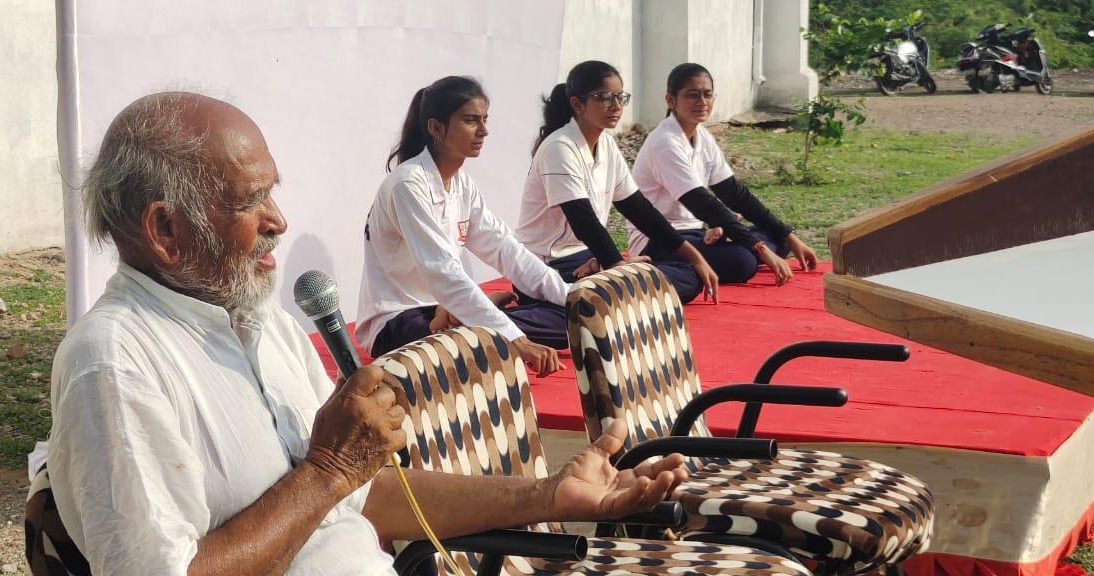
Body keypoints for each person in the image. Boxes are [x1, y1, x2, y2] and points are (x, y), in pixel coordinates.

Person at [44, 91, 688, 576]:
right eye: (250, 200)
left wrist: (550, 493)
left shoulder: (263, 326)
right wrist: (326, 469)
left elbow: (362, 496)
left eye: (274, 193)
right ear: (165, 231)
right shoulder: (116, 366)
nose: (279, 220)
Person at [356, 76, 570, 372]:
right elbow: (442, 271)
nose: (484, 130)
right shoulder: (408, 185)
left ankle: (467, 316)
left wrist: (574, 300)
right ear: (436, 128)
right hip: (398, 321)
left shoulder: (461, 184)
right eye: (471, 120)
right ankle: (468, 318)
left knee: (568, 320)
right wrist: (514, 338)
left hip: (446, 307)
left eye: (484, 119)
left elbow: (506, 249)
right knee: (472, 345)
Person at [516, 60, 719, 304]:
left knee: (689, 276)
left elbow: (640, 210)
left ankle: (608, 283)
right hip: (549, 264)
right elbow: (583, 221)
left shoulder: (607, 144)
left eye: (620, 97)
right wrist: (617, 266)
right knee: (610, 297)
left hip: (586, 258)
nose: (616, 106)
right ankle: (597, 290)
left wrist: (695, 257)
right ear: (577, 104)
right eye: (604, 97)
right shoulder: (559, 148)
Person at [631, 63, 818, 286]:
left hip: (696, 232)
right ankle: (662, 267)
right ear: (671, 100)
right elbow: (702, 203)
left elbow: (734, 194)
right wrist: (759, 248)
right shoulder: (665, 142)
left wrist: (789, 235)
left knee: (776, 236)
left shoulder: (702, 136)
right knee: (743, 261)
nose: (702, 102)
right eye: (693, 95)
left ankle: (734, 242)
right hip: (660, 241)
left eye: (707, 94)